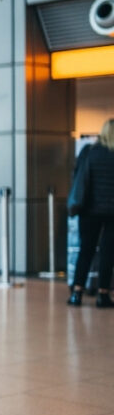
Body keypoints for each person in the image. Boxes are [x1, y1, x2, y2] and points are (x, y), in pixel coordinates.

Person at [68, 118, 114, 308]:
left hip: (88, 211)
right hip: (112, 212)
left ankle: (77, 293)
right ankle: (103, 295)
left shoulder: (89, 152)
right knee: (108, 253)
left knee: (86, 251)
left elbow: (77, 176)